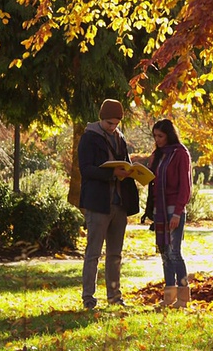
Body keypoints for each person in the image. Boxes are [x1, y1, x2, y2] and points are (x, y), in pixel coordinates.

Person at [78, 99, 139, 309]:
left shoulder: (120, 138)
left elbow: (125, 163)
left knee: (115, 254)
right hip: (98, 203)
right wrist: (111, 172)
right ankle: (88, 297)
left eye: (116, 123)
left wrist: (130, 171)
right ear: (101, 119)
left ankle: (114, 296)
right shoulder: (89, 138)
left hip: (119, 204)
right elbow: (86, 169)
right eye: (109, 123)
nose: (113, 127)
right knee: (93, 253)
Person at [145, 119, 193, 308]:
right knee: (164, 252)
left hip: (174, 208)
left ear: (169, 135)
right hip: (159, 209)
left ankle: (183, 297)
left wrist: (178, 213)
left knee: (174, 252)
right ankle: (169, 295)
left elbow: (185, 186)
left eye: (161, 136)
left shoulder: (180, 154)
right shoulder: (158, 154)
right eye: (155, 136)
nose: (157, 140)